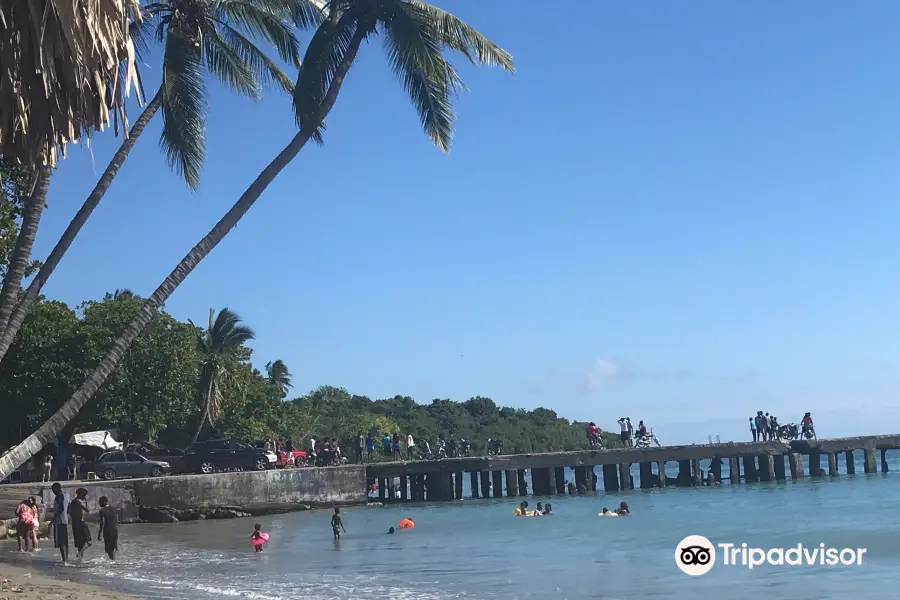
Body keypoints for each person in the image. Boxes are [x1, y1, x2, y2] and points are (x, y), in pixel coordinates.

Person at [69, 487, 91, 559]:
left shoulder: (73, 501)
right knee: (88, 541)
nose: (85, 497)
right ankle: (79, 553)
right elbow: (87, 510)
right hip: (80, 523)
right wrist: (86, 502)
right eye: (84, 495)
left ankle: (80, 560)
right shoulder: (78, 501)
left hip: (75, 524)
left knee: (80, 543)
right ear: (80, 494)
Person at [50, 482, 69, 564]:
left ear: (57, 489)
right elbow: (68, 507)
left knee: (61, 542)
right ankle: (66, 560)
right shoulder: (66, 495)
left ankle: (64, 560)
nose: (53, 492)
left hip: (59, 521)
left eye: (54, 490)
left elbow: (60, 508)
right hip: (65, 520)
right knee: (65, 541)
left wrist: (53, 520)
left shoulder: (59, 497)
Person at [97, 496, 118, 560]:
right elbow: (117, 520)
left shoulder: (102, 511)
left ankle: (112, 561)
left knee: (108, 549)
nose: (99, 504)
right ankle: (114, 560)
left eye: (100, 502)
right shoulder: (114, 508)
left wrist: (99, 534)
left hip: (108, 531)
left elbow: (102, 523)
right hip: (115, 530)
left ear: (104, 502)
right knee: (113, 547)